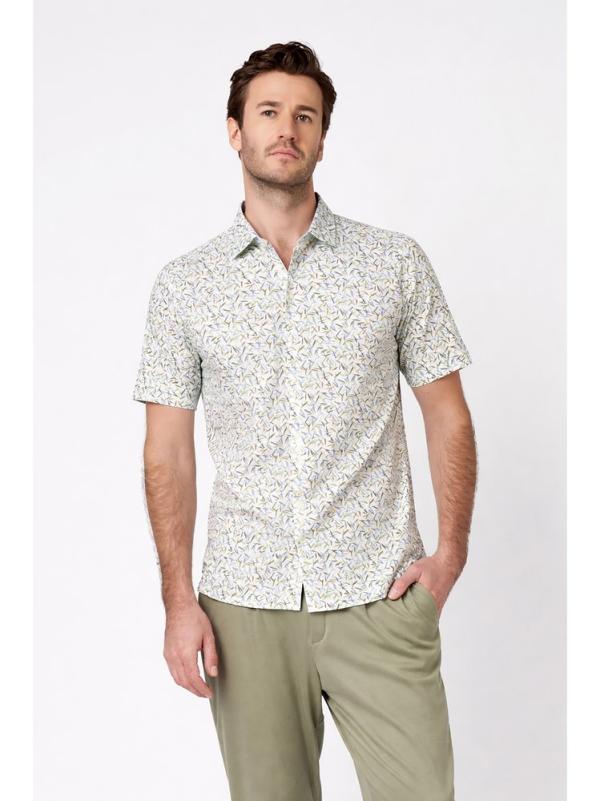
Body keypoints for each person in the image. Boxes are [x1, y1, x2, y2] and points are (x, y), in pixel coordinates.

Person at [132, 40, 477, 801]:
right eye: (268, 112)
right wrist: (178, 602)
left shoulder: (393, 264)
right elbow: (167, 455)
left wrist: (449, 554)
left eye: (305, 116)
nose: (286, 129)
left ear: (323, 137)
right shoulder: (185, 287)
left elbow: (448, 416)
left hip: (379, 594)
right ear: (235, 130)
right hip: (244, 606)